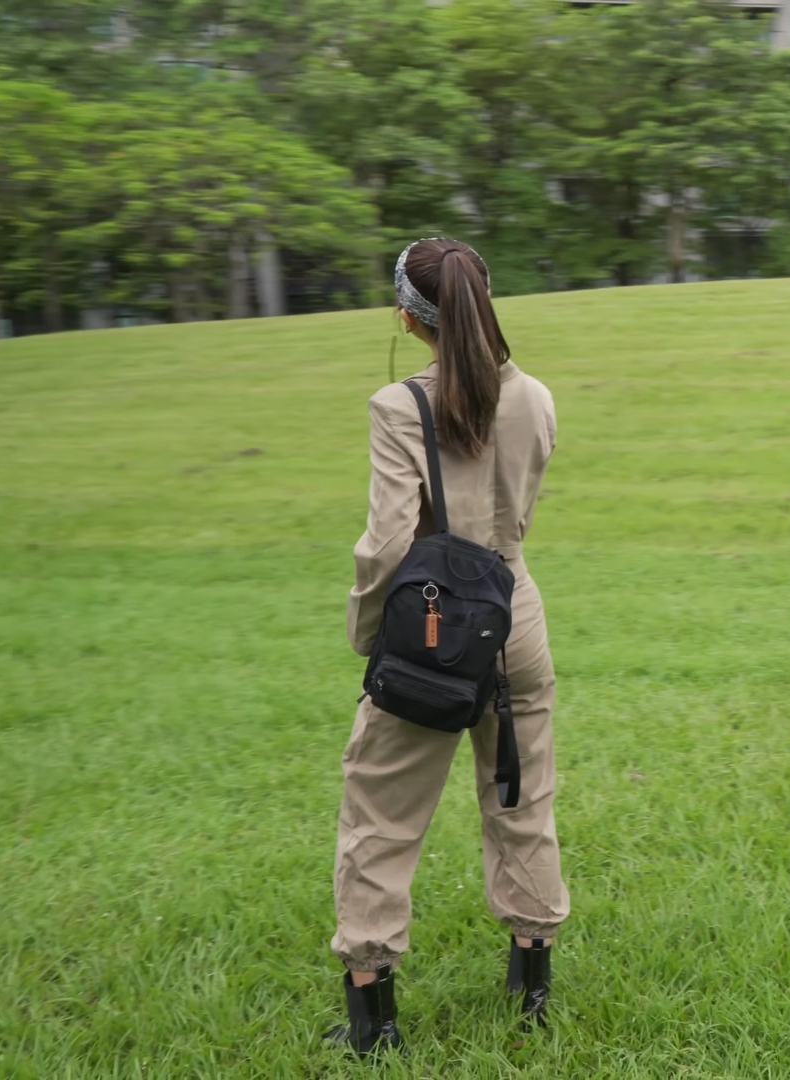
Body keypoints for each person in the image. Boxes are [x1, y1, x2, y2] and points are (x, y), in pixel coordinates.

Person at [327, 237, 569, 1055]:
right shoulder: (533, 395)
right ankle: (532, 993)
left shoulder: (402, 405)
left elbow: (388, 544)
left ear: (408, 315)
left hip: (431, 633)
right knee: (521, 798)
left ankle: (373, 1022)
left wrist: (371, 640)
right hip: (517, 620)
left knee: (380, 815)